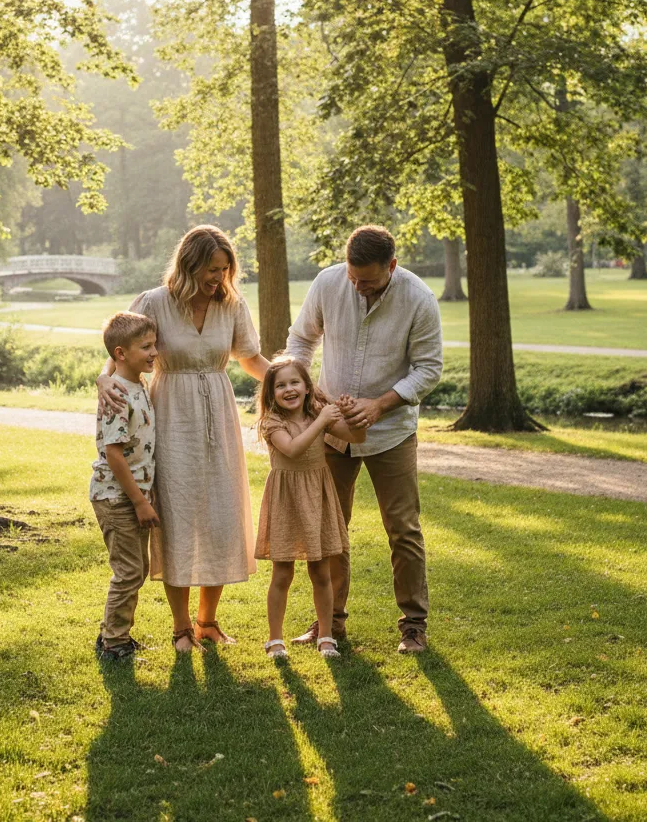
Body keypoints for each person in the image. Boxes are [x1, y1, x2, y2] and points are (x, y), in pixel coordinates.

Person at [97, 226, 269, 653]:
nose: (218, 278)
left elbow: (249, 358)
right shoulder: (154, 302)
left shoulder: (231, 303)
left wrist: (294, 381)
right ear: (190, 263)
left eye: (225, 270)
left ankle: (208, 621)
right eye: (212, 269)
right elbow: (118, 352)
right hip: (169, 416)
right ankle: (180, 628)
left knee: (219, 515)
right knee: (176, 515)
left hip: (219, 417)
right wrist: (102, 380)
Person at [286, 225, 443, 654]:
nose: (359, 287)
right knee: (331, 529)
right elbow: (301, 339)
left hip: (391, 431)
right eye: (354, 279)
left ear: (392, 266)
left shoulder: (419, 299)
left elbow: (428, 368)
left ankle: (413, 625)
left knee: (403, 529)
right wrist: (307, 389)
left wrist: (379, 405)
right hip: (331, 429)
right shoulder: (329, 282)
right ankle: (328, 624)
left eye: (369, 281)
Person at [255, 357, 366, 660]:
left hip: (318, 496)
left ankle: (327, 636)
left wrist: (349, 415)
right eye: (280, 385)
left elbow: (357, 438)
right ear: (270, 393)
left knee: (321, 572)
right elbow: (292, 449)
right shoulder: (273, 422)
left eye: (294, 383)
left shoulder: (318, 414)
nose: (288, 389)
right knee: (282, 573)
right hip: (287, 501)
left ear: (307, 388)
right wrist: (322, 421)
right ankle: (275, 640)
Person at [89, 312, 160, 662]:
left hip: (131, 496)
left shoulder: (136, 383)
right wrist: (140, 502)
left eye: (154, 344)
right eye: (145, 347)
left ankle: (112, 635)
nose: (154, 352)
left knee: (137, 570)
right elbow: (114, 454)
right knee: (130, 571)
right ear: (121, 353)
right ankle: (114, 644)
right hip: (117, 497)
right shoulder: (118, 395)